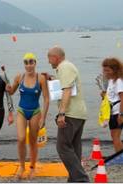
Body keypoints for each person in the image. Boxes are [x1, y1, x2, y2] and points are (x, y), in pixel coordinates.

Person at [47, 46, 89, 182]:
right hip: (79, 113)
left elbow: (67, 90)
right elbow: (66, 85)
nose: (49, 62)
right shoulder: (67, 68)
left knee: (63, 147)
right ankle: (74, 179)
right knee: (74, 148)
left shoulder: (64, 67)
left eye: (49, 58)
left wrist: (61, 114)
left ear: (55, 57)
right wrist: (53, 78)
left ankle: (82, 179)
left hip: (71, 114)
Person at [6, 53, 49, 179]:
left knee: (32, 141)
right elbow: (12, 91)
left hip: (35, 112)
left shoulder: (40, 78)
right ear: (24, 64)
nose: (29, 65)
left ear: (35, 63)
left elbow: (46, 99)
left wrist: (43, 118)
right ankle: (21, 166)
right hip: (22, 111)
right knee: (21, 138)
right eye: (26, 62)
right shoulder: (19, 77)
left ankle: (32, 167)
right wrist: (8, 88)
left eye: (31, 62)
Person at [101, 58, 123, 152]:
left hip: (118, 111)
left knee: (116, 136)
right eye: (104, 70)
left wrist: (121, 114)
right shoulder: (111, 81)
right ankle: (119, 155)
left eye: (108, 70)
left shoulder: (118, 81)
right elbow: (110, 97)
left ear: (115, 70)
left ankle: (120, 158)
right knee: (114, 135)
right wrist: (104, 96)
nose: (105, 72)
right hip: (111, 111)